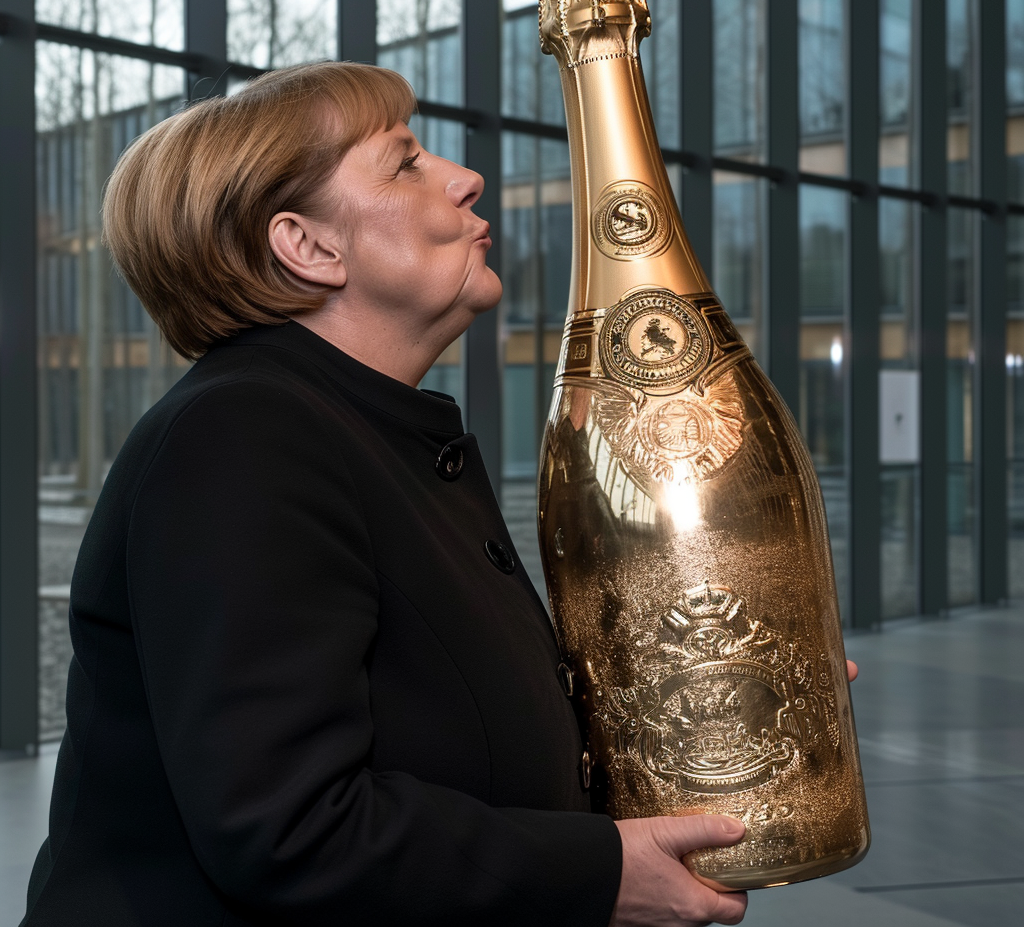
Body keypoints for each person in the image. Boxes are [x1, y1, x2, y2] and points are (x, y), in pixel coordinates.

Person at [22, 60, 835, 926]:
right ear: (309, 246)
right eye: (405, 161)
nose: (464, 177)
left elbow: (456, 739)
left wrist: (725, 695)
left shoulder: (362, 435)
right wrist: (597, 873)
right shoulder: (245, 438)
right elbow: (290, 830)